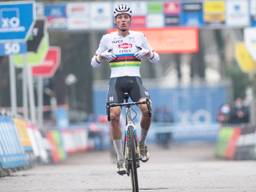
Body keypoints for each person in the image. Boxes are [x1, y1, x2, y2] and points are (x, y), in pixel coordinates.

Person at [91, 4, 160, 175]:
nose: (123, 20)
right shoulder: (107, 39)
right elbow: (93, 63)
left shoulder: (139, 37)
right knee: (114, 116)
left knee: (146, 110)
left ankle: (142, 144)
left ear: (130, 20)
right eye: (120, 17)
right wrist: (101, 56)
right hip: (116, 82)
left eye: (126, 17)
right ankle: (120, 158)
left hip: (135, 80)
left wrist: (147, 53)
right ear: (115, 20)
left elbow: (156, 59)